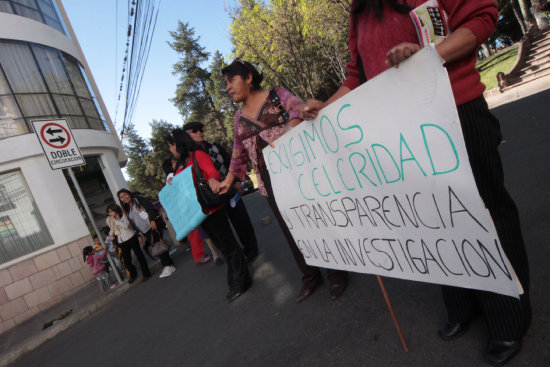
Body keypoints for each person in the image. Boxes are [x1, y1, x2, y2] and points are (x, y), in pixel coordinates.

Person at [303, 1, 531, 365]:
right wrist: (324, 109)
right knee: (435, 220)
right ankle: (462, 304)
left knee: (484, 214)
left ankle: (509, 318)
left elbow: (481, 18)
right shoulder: (359, 11)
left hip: (454, 112)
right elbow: (356, 75)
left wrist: (427, 56)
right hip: (402, 131)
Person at [218, 59, 348, 303]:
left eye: (231, 81)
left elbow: (298, 110)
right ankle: (310, 276)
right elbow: (238, 154)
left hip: (298, 173)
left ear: (248, 77)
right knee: (292, 231)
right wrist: (227, 181)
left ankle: (337, 272)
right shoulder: (237, 119)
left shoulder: (276, 96)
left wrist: (289, 130)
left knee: (317, 220)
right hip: (270, 185)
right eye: (225, 84)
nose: (227, 88)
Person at [166, 128, 251, 302]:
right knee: (224, 248)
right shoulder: (182, 162)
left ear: (176, 144)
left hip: (212, 208)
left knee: (229, 246)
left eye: (170, 145)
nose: (170, 150)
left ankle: (242, 282)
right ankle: (235, 281)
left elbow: (211, 172)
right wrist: (171, 181)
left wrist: (213, 179)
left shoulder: (197, 154)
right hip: (200, 213)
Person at [183, 121, 259, 263]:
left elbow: (230, 162)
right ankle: (236, 259)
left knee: (242, 222)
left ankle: (251, 251)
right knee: (222, 233)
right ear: (187, 136)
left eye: (201, 129)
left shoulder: (215, 147)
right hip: (211, 199)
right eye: (195, 130)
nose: (200, 132)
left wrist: (236, 181)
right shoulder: (189, 156)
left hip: (229, 191)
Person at [161, 157, 216, 265]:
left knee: (196, 232)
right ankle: (199, 256)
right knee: (195, 233)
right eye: (173, 162)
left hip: (185, 208)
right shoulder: (171, 176)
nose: (175, 162)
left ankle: (201, 254)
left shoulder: (171, 176)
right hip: (187, 207)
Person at [117, 189, 176, 278]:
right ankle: (168, 265)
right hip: (144, 231)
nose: (124, 198)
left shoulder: (138, 199)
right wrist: (139, 235)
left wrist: (152, 221)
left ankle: (168, 266)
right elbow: (133, 223)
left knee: (159, 246)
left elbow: (149, 208)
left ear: (129, 193)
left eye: (125, 195)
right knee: (157, 247)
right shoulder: (127, 208)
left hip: (152, 225)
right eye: (121, 197)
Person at [106, 203, 152, 283]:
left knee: (139, 255)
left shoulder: (123, 216)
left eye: (111, 211)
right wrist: (111, 235)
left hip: (131, 237)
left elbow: (126, 226)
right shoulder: (110, 220)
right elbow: (112, 229)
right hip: (121, 240)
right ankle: (133, 274)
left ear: (115, 210)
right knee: (126, 260)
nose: (110, 214)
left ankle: (146, 273)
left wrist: (116, 221)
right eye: (108, 212)